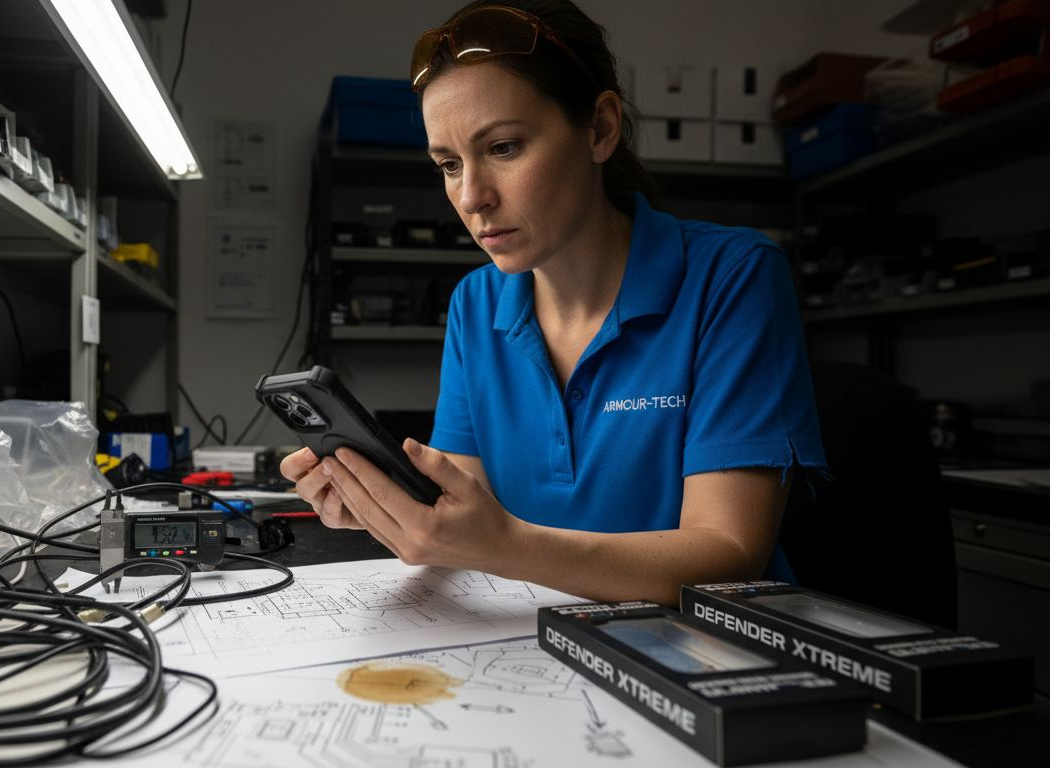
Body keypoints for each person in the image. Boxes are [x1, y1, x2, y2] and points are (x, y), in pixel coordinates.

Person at [281, 0, 826, 606]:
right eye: (449, 164)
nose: (472, 197)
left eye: (504, 148)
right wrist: (397, 514)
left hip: (704, 646)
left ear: (600, 129)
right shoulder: (475, 303)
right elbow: (465, 511)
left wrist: (505, 546)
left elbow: (728, 552)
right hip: (534, 638)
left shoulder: (734, 276)